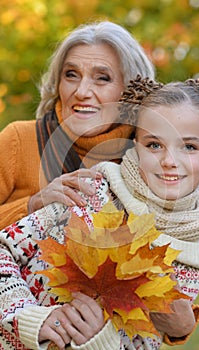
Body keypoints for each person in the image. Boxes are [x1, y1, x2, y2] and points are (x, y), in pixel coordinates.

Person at [1, 74, 199, 349]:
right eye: (154, 145)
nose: (170, 161)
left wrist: (100, 341)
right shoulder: (93, 191)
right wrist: (29, 318)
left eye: (189, 147)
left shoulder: (191, 257)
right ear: (136, 146)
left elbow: (144, 343)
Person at [0, 20, 155, 231]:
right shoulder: (19, 139)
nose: (82, 91)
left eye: (102, 78)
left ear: (132, 90)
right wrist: (31, 205)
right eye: (71, 75)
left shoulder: (149, 153)